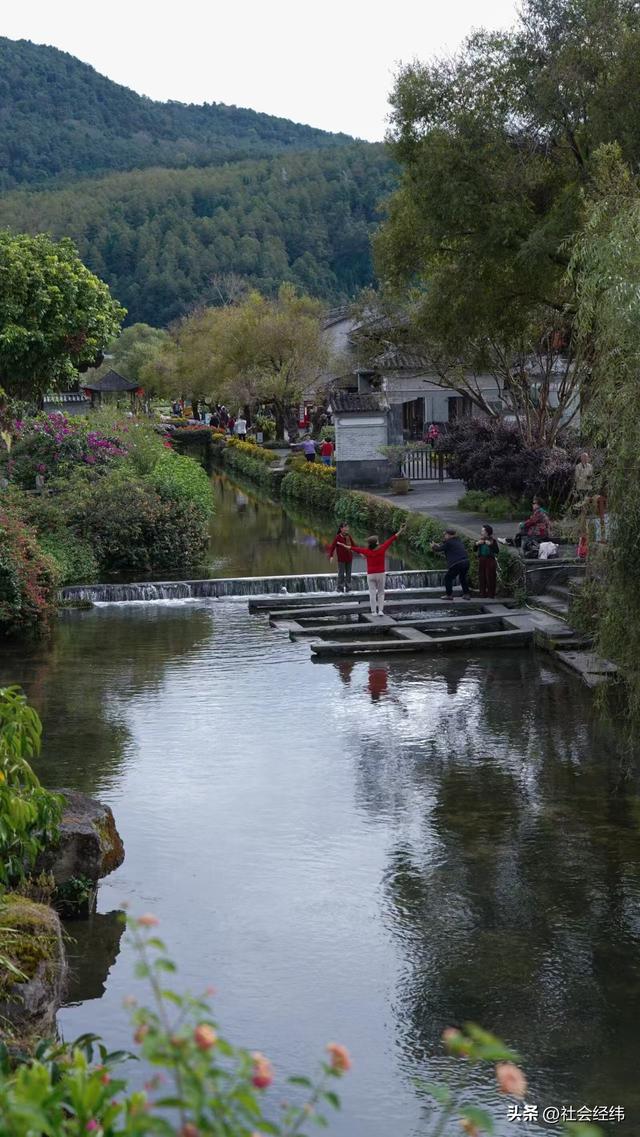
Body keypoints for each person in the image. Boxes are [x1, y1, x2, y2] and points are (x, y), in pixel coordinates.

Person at [345, 525, 406, 616]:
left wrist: (343, 545)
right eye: (378, 540)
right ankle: (380, 611)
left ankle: (373, 612)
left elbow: (354, 548)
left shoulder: (367, 551)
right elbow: (392, 538)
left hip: (371, 575)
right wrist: (400, 530)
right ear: (376, 543)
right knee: (381, 593)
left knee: (372, 594)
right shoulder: (382, 548)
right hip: (381, 574)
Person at [431, 528, 471, 600]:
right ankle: (466, 594)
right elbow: (444, 546)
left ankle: (449, 595)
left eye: (445, 534)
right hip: (466, 562)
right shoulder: (458, 540)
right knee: (462, 578)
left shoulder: (448, 542)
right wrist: (439, 545)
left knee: (448, 578)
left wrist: (433, 546)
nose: (444, 536)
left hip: (457, 563)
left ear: (449, 535)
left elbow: (438, 549)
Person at [474, 524, 500, 598]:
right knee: (481, 577)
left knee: (490, 577)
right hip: (482, 559)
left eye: (483, 530)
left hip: (490, 560)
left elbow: (497, 551)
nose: (481, 532)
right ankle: (482, 593)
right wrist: (476, 544)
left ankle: (491, 594)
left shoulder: (493, 540)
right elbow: (474, 549)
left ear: (487, 532)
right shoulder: (480, 540)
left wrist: (490, 545)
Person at [328, 522, 354, 593]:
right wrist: (331, 556)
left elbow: (354, 546)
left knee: (348, 574)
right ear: (341, 529)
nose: (346, 529)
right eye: (345, 527)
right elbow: (332, 547)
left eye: (347, 527)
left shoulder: (349, 536)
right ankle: (340, 589)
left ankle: (348, 588)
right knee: (341, 574)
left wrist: (361, 552)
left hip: (349, 558)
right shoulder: (337, 537)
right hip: (341, 560)